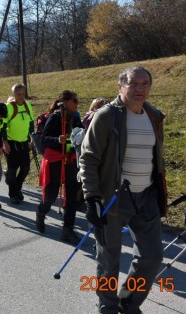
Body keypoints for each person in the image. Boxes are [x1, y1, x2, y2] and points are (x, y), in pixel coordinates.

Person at [79, 66, 167, 314]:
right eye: (133, 84)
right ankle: (107, 305)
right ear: (120, 87)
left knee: (152, 257)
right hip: (114, 198)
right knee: (110, 258)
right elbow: (88, 158)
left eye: (145, 84)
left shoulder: (153, 116)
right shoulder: (107, 116)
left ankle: (128, 302)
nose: (140, 89)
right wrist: (92, 198)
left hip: (147, 195)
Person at [35, 90, 83, 244]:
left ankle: (68, 230)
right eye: (74, 100)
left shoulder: (76, 118)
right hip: (55, 160)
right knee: (51, 194)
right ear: (66, 102)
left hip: (70, 160)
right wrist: (58, 139)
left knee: (72, 197)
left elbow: (82, 134)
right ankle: (41, 213)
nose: (77, 103)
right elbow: (44, 139)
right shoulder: (55, 117)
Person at [3, 84, 35, 204]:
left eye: (23, 94)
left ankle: (16, 188)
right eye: (18, 94)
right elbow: (3, 126)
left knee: (26, 168)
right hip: (11, 143)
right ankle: (13, 194)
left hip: (24, 142)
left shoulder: (28, 106)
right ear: (14, 95)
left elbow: (31, 123)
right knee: (12, 170)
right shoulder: (9, 107)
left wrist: (32, 139)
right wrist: (5, 142)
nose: (21, 97)